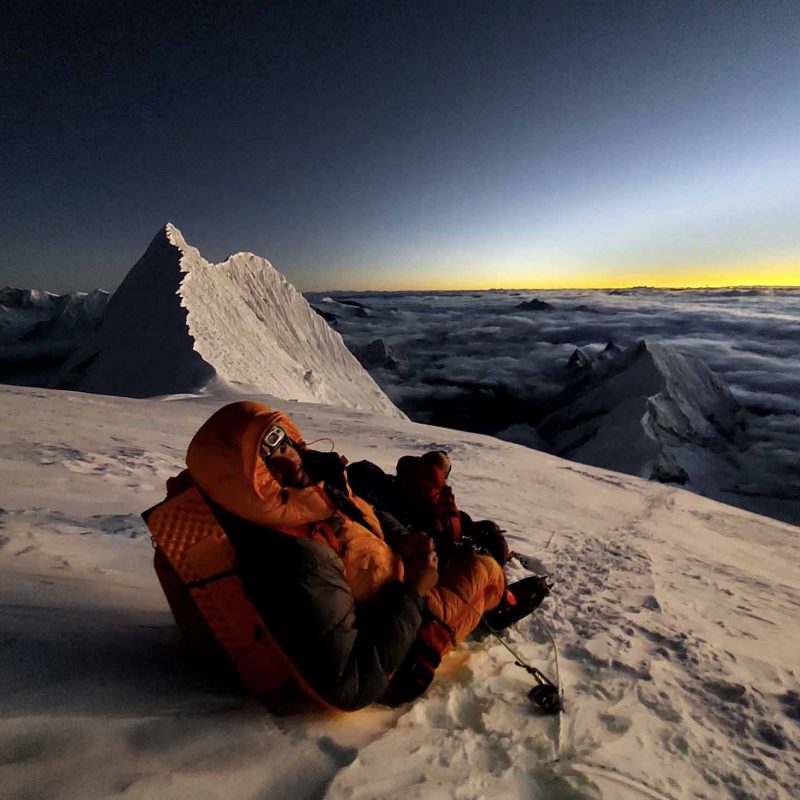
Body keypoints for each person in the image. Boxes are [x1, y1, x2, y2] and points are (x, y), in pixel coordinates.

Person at [144, 401, 506, 711]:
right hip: (394, 627)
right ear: (244, 479)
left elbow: (359, 513)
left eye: (281, 441)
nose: (287, 457)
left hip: (388, 585)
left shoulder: (276, 502)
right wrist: (413, 590)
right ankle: (470, 620)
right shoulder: (299, 558)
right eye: (265, 459)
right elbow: (348, 685)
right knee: (485, 570)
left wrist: (400, 537)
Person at [348, 451, 551, 630]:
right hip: (413, 566)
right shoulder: (430, 507)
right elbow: (441, 536)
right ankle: (500, 603)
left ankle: (500, 595)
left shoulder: (371, 476)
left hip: (393, 535)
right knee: (481, 564)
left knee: (484, 544)